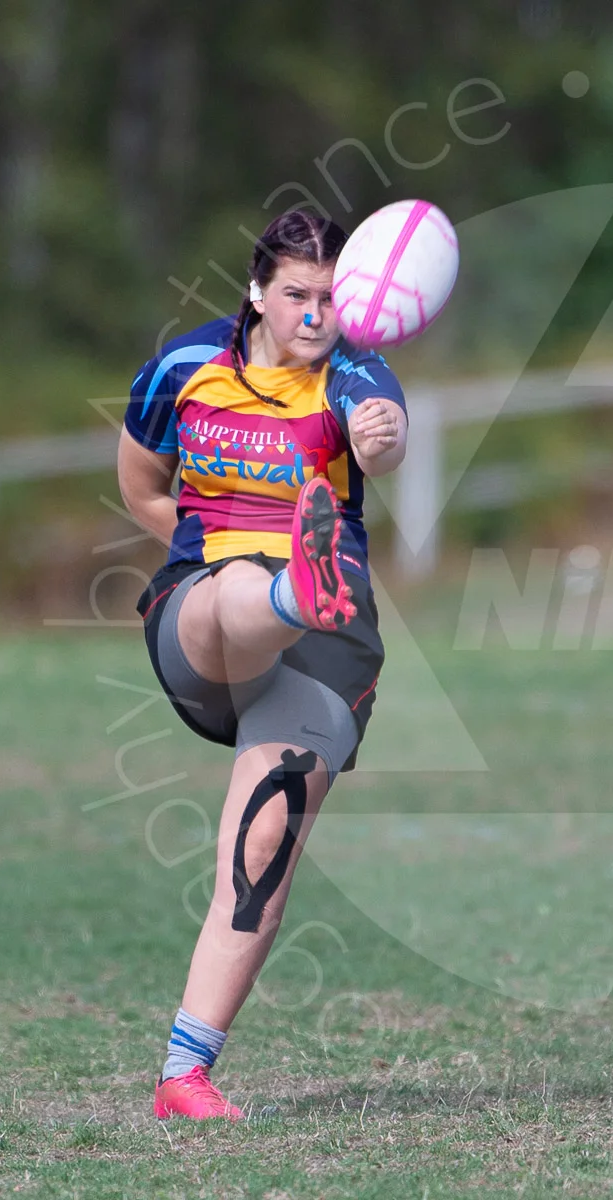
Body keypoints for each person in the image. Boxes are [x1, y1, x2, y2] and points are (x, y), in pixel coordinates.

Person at [117, 209, 408, 1120]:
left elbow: (378, 434)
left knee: (261, 849)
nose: (315, 315)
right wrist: (195, 547)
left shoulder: (356, 374)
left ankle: (183, 1076)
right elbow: (140, 483)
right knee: (235, 588)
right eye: (296, 295)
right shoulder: (182, 369)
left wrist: (379, 440)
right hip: (201, 617)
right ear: (256, 293)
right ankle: (291, 588)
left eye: (330, 297)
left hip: (328, 646)